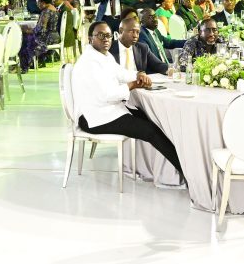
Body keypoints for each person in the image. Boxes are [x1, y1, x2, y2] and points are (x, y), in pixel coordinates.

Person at [71, 22, 183, 177]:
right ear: (90, 38)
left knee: (151, 118)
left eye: (109, 35)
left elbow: (120, 73)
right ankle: (187, 174)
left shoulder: (104, 55)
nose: (106, 39)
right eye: (101, 35)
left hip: (109, 111)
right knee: (151, 131)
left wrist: (138, 75)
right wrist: (132, 85)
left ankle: (161, 170)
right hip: (95, 118)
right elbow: (106, 95)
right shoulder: (89, 63)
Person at [19, 0, 61, 71]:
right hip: (55, 36)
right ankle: (38, 60)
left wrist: (27, 30)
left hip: (48, 38)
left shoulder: (46, 11)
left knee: (24, 38)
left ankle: (25, 64)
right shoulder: (54, 9)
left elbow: (40, 30)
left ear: (43, 2)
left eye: (38, 2)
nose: (37, 5)